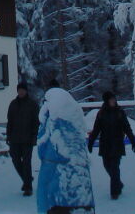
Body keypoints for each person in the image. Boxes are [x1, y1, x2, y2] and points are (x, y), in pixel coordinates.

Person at [37, 86, 95, 214]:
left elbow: (41, 146)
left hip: (56, 184)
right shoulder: (75, 119)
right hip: (82, 194)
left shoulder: (50, 116)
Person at [88, 90, 135, 200]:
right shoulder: (101, 113)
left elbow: (127, 127)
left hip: (117, 144)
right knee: (107, 166)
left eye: (114, 99)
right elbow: (96, 129)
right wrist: (91, 142)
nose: (113, 101)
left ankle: (114, 192)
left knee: (114, 168)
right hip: (105, 144)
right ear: (106, 101)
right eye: (111, 99)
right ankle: (118, 183)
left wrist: (133, 141)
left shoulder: (120, 112)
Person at [6, 80, 39, 196]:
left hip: (27, 139)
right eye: (19, 90)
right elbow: (9, 121)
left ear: (26, 91)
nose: (20, 92)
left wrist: (34, 136)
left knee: (26, 162)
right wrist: (8, 135)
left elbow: (36, 122)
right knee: (15, 160)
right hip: (14, 138)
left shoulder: (33, 104)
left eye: (22, 90)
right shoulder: (13, 104)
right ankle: (27, 178)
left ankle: (28, 187)